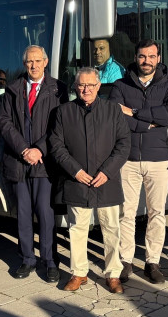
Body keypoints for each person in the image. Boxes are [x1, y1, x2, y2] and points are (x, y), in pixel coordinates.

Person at [49, 68, 130, 292]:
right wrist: (75, 171)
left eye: (91, 85)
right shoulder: (63, 112)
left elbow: (123, 144)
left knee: (112, 228)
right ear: (75, 87)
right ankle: (79, 273)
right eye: (82, 85)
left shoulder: (113, 110)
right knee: (77, 228)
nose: (86, 89)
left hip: (107, 180)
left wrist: (107, 171)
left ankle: (113, 274)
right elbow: (57, 146)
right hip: (77, 181)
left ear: (98, 86)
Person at [108, 39, 168, 284]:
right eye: (142, 56)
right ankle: (126, 260)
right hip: (127, 159)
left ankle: (153, 262)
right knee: (126, 214)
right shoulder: (121, 84)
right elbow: (116, 115)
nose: (146, 61)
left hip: (158, 159)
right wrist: (149, 123)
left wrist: (136, 113)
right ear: (136, 57)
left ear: (158, 58)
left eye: (151, 56)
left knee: (156, 213)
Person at [0, 45, 68, 283]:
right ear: (24, 64)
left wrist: (39, 149)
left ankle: (49, 261)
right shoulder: (13, 89)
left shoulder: (59, 89)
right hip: (18, 161)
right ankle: (27, 259)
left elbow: (60, 125)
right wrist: (24, 149)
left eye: (37, 61)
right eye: (29, 62)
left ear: (45, 62)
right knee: (23, 214)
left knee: (46, 215)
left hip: (44, 163)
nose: (33, 65)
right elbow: (4, 122)